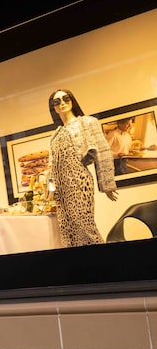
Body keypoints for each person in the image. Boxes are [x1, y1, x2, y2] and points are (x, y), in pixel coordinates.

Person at [48, 89, 118, 247]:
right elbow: (51, 166)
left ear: (72, 101)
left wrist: (107, 185)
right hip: (61, 189)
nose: (62, 103)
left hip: (79, 181)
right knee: (67, 230)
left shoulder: (87, 122)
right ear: (54, 108)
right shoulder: (56, 135)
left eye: (66, 99)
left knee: (85, 227)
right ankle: (80, 264)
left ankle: (107, 262)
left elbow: (102, 151)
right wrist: (51, 190)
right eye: (57, 102)